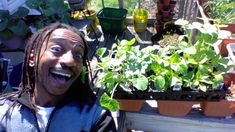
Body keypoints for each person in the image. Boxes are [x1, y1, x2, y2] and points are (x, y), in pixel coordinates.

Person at [0, 23, 117, 132]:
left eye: (78, 55)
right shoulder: (4, 112)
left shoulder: (96, 117)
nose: (70, 61)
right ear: (32, 58)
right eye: (56, 49)